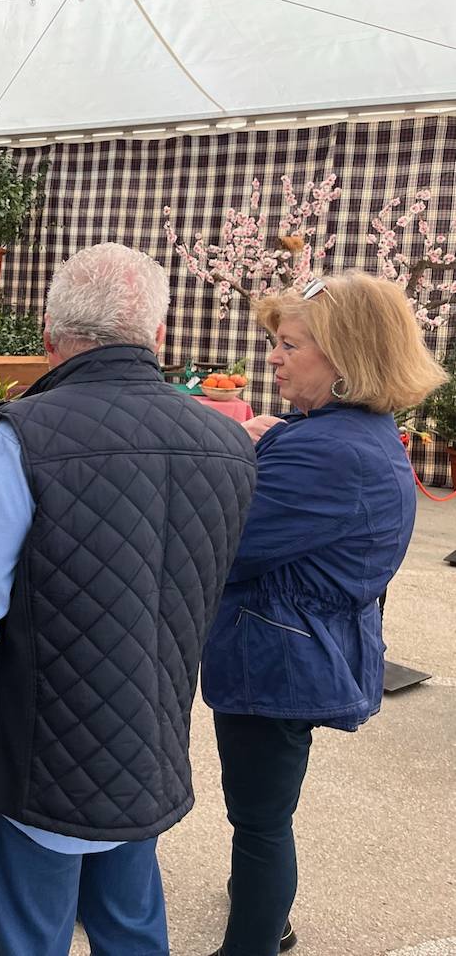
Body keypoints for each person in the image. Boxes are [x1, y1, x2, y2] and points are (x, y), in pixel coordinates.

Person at [0, 242, 258, 956]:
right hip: (145, 755)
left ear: (49, 338)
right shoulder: (230, 443)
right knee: (133, 932)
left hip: (30, 763)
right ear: (159, 337)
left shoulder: (22, 439)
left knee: (24, 939)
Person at [201, 273, 446, 956]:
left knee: (259, 820)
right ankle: (264, 911)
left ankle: (252, 939)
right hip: (300, 646)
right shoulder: (345, 436)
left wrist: (236, 458)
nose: (272, 358)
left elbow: (223, 544)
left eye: (288, 344)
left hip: (277, 660)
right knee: (265, 810)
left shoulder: (326, 453)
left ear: (344, 359)